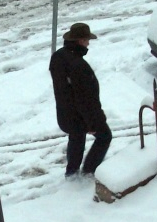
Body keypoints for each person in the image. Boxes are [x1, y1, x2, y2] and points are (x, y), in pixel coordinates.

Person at [49, 22, 112, 178]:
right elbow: (85, 98)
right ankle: (89, 171)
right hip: (81, 114)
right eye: (87, 40)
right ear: (80, 41)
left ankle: (72, 172)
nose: (89, 43)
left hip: (65, 112)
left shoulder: (58, 57)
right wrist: (91, 122)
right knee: (104, 136)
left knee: (76, 138)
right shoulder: (78, 66)